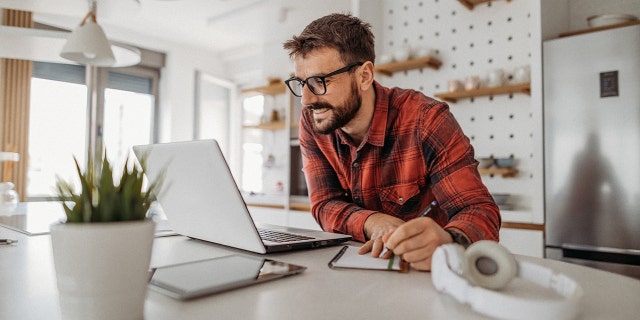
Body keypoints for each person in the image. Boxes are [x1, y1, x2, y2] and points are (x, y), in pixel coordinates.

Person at [283, 13, 500, 271]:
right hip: (359, 270)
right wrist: (373, 221)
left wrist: (450, 240)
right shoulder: (314, 121)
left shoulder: (426, 120)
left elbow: (479, 209)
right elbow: (324, 204)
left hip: (430, 274)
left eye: (320, 81)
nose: (306, 100)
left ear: (364, 76)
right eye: (301, 83)